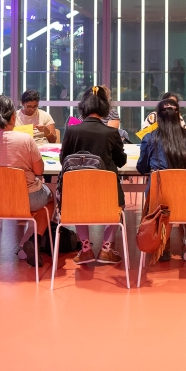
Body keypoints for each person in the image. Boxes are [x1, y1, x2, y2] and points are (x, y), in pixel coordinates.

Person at [0, 95, 55, 267]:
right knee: (50, 200)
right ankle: (35, 239)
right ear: (13, 117)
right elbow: (39, 171)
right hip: (25, 199)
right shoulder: (25, 140)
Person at [60, 86, 128, 265]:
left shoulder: (72, 131)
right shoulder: (111, 133)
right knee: (118, 204)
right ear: (105, 108)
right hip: (106, 195)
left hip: (78, 193)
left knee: (79, 208)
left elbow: (63, 159)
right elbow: (121, 162)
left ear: (83, 108)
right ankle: (106, 249)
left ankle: (85, 249)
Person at [136, 99, 186, 260]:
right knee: (178, 196)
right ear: (179, 115)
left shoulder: (150, 138)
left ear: (157, 117)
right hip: (185, 198)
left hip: (158, 201)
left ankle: (163, 246)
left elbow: (142, 168)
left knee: (162, 196)